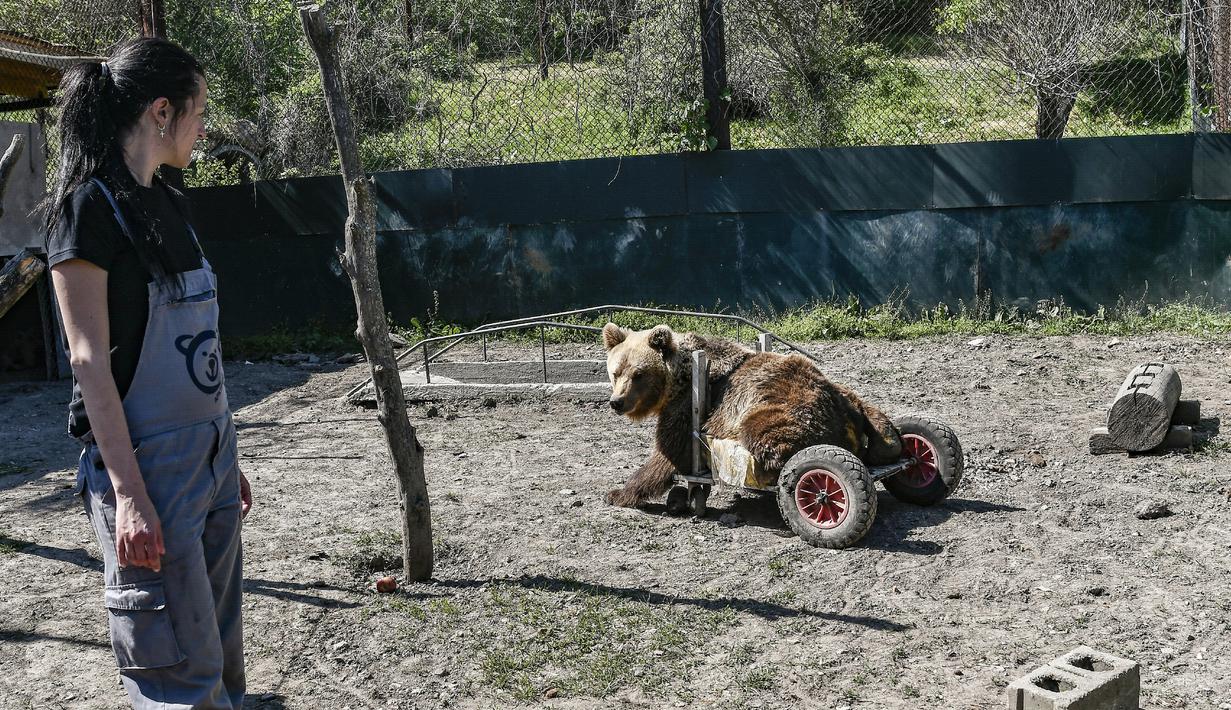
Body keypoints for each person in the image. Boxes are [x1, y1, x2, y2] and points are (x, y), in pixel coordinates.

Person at [44, 37, 251, 709]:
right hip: (147, 467)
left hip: (210, 460)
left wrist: (222, 450)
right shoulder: (88, 211)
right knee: (176, 678)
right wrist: (130, 494)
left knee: (218, 657)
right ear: (161, 112)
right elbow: (87, 362)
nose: (202, 127)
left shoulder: (170, 201)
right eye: (198, 111)